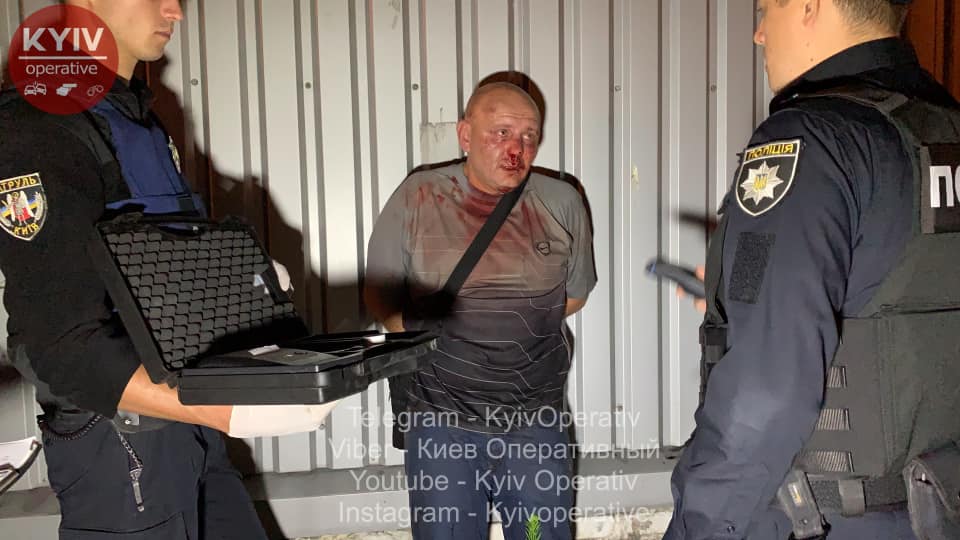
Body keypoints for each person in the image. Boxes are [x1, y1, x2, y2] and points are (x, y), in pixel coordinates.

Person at [0, 1, 336, 537]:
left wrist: (238, 277)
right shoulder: (38, 125)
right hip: (120, 440)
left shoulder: (132, 118)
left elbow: (151, 264)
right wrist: (229, 412)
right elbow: (60, 345)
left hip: (187, 423)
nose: (175, 10)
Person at [666, 0, 960, 539]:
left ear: (809, 6)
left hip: (824, 516)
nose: (759, 34)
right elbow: (903, 293)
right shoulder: (943, 128)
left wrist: (700, 526)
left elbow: (765, 392)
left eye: (766, 10)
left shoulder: (814, 137)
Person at [364, 81, 596, 540]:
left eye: (529, 136)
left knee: (537, 534)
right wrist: (417, 329)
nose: (517, 148)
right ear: (465, 135)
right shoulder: (418, 196)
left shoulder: (562, 201)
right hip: (441, 427)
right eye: (501, 132)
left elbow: (574, 294)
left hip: (534, 427)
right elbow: (379, 293)